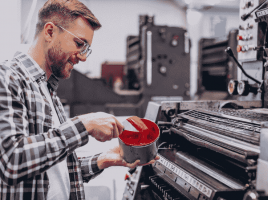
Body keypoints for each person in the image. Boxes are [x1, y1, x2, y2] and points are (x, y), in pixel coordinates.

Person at [0, 0, 159, 199]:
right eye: (79, 44)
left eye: (86, 48)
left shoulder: (48, 91)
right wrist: (84, 125)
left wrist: (102, 160)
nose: (83, 57)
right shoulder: (7, 78)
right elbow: (11, 161)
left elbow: (55, 174)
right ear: (50, 32)